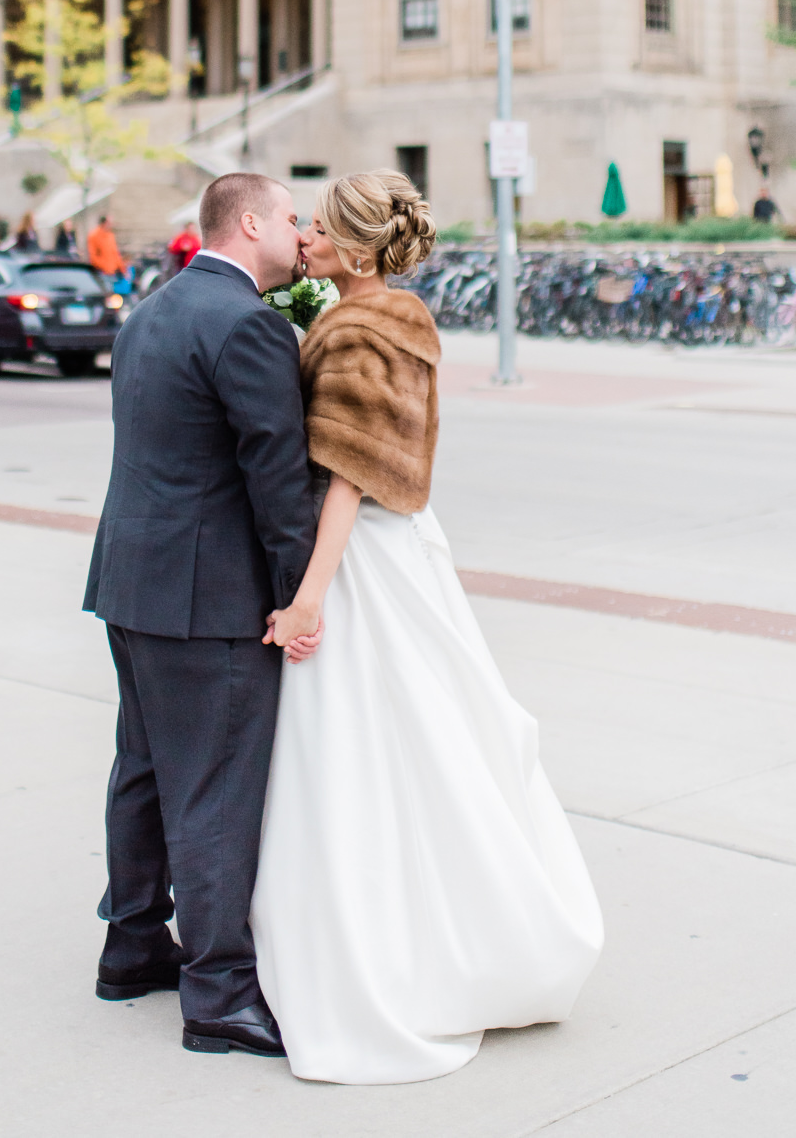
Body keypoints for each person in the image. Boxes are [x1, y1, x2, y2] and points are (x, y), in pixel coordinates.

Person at [250, 168, 604, 1084]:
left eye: (322, 227)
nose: (308, 236)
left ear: (360, 250)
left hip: (364, 559)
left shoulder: (366, 329)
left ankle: (395, 956)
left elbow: (349, 476)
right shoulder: (375, 315)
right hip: (400, 550)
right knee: (416, 743)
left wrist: (313, 594)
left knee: (364, 751)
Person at [84, 172, 316, 1058]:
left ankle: (133, 944)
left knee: (143, 769)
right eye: (292, 218)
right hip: (206, 597)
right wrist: (298, 597)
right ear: (249, 221)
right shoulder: (247, 323)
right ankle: (218, 990)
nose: (301, 236)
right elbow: (277, 481)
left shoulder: (151, 310)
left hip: (130, 583)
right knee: (215, 788)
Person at [87, 212, 127, 282]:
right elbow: (93, 256)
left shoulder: (110, 236)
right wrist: (104, 267)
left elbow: (115, 254)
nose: (111, 225)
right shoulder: (94, 236)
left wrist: (122, 269)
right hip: (101, 272)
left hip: (112, 272)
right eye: (109, 223)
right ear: (104, 223)